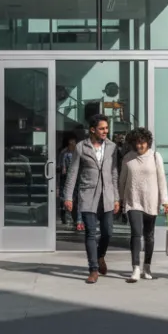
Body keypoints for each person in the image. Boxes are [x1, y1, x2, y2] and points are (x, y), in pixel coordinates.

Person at [63, 115, 121, 284]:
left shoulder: (112, 147)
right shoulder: (81, 147)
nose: (106, 131)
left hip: (108, 196)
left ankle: (100, 255)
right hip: (88, 196)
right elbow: (73, 172)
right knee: (90, 233)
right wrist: (68, 196)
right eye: (102, 128)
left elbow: (114, 174)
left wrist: (117, 198)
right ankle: (93, 269)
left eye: (106, 128)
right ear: (93, 129)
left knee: (108, 232)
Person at [118, 127, 168, 283]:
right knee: (136, 233)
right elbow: (122, 180)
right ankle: (135, 268)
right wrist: (120, 199)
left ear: (148, 142)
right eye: (137, 142)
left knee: (149, 235)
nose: (140, 145)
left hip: (151, 200)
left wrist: (165, 202)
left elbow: (162, 180)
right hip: (133, 200)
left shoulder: (156, 157)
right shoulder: (128, 158)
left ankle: (146, 267)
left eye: (142, 142)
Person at [57, 133, 81, 228]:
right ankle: (68, 217)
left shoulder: (79, 152)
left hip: (78, 179)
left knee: (78, 200)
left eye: (73, 141)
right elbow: (60, 166)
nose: (72, 143)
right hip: (67, 179)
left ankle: (78, 220)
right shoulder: (64, 153)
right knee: (68, 200)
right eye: (70, 141)